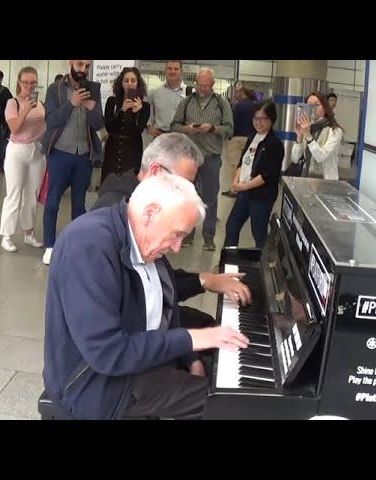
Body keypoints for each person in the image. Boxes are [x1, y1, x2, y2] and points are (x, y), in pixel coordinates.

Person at [43, 174, 250, 420]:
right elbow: (108, 353)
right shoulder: (88, 245)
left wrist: (190, 356)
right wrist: (192, 339)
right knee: (231, 405)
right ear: (150, 214)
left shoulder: (142, 239)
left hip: (133, 360)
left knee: (225, 370)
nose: (176, 247)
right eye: (177, 234)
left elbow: (161, 308)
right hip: (95, 384)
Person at [93, 132, 252, 331]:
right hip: (130, 333)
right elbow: (137, 300)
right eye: (181, 185)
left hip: (143, 319)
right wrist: (188, 345)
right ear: (155, 171)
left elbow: (156, 280)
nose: (188, 193)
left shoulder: (144, 204)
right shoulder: (116, 216)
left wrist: (204, 280)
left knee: (206, 324)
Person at [40, 60, 104, 265]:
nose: (83, 69)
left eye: (87, 66)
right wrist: (72, 103)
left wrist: (89, 107)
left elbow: (98, 123)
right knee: (53, 201)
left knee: (79, 203)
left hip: (84, 155)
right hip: (59, 153)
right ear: (70, 63)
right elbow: (50, 121)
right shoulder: (55, 89)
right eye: (79, 64)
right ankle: (50, 246)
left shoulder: (94, 89)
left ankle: (77, 245)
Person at [171, 67, 234, 251]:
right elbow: (174, 125)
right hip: (188, 158)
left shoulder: (222, 104)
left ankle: (208, 236)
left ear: (213, 85)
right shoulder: (186, 102)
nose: (203, 89)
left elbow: (230, 129)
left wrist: (213, 128)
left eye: (207, 86)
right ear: (196, 83)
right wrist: (186, 129)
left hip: (211, 158)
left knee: (210, 198)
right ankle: (187, 233)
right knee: (187, 196)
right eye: (201, 85)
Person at [0, 67, 46, 253]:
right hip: (17, 151)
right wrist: (24, 110)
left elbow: (46, 127)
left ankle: (29, 232)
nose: (29, 86)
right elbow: (15, 128)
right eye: (25, 82)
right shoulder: (12, 103)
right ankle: (7, 235)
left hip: (37, 152)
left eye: (33, 82)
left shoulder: (40, 103)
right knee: (14, 194)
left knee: (32, 195)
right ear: (19, 82)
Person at [224, 100, 284, 248]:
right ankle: (229, 263)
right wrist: (235, 182)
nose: (259, 122)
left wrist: (243, 187)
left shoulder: (274, 144)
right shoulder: (252, 137)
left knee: (258, 233)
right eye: (256, 118)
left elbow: (267, 175)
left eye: (264, 119)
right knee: (232, 226)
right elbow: (242, 162)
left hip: (261, 196)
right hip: (244, 193)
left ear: (272, 119)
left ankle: (262, 265)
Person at [101, 67, 150, 183]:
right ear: (121, 83)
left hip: (132, 150)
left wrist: (136, 113)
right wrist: (122, 111)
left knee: (130, 187)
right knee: (109, 185)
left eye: (133, 81)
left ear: (138, 83)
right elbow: (109, 127)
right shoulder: (112, 102)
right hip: (113, 149)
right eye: (126, 80)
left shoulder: (145, 106)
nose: (130, 84)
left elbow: (137, 131)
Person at [290, 91, 343, 180]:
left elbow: (320, 157)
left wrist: (308, 136)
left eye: (316, 105)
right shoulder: (308, 127)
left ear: (325, 107)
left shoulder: (335, 131)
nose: (312, 108)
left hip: (326, 182)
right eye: (309, 105)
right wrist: (299, 136)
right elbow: (295, 158)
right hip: (306, 180)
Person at [222, 85, 256, 198]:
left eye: (236, 92)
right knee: (247, 165)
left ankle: (234, 189)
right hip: (251, 139)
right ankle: (245, 188)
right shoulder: (255, 106)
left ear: (242, 92)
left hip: (236, 139)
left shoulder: (238, 106)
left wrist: (227, 136)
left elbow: (232, 123)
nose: (235, 95)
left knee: (235, 165)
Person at [146, 60, 186, 140]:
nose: (172, 71)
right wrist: (148, 125)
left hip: (181, 139)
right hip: (160, 137)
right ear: (165, 70)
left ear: (181, 71)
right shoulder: (155, 92)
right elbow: (142, 107)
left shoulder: (189, 93)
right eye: (169, 68)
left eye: (176, 69)